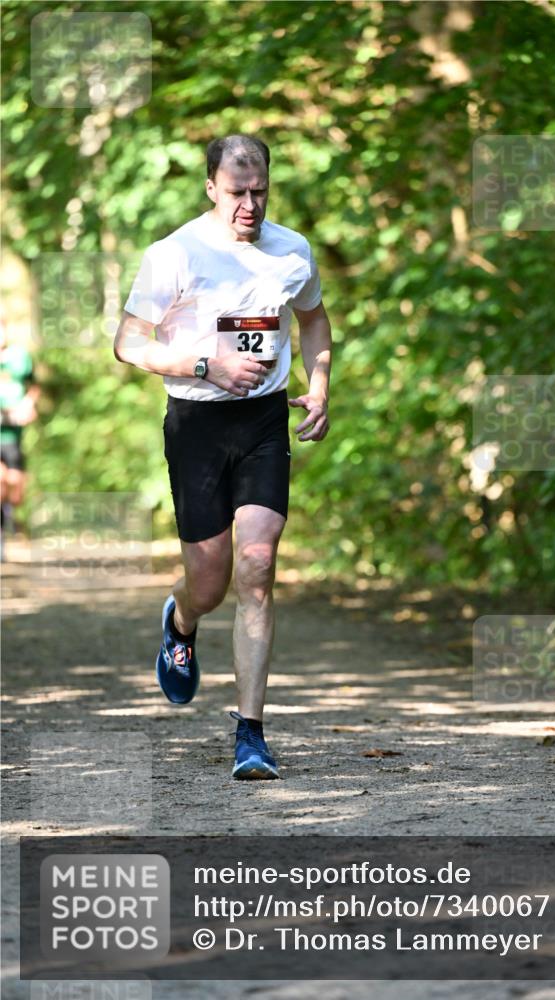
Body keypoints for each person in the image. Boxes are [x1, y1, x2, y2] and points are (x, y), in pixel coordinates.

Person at [114, 134, 332, 780]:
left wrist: (318, 385)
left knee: (257, 566)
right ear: (211, 187)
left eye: (260, 191)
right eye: (237, 192)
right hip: (196, 424)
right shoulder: (174, 255)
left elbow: (314, 319)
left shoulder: (291, 250)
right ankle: (180, 623)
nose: (249, 205)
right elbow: (128, 342)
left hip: (264, 419)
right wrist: (203, 363)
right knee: (209, 582)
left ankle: (251, 734)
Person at [0, 322, 40, 550]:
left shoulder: (19, 357)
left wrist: (27, 404)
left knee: (15, 489)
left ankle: (10, 514)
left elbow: (33, 386)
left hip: (13, 435)